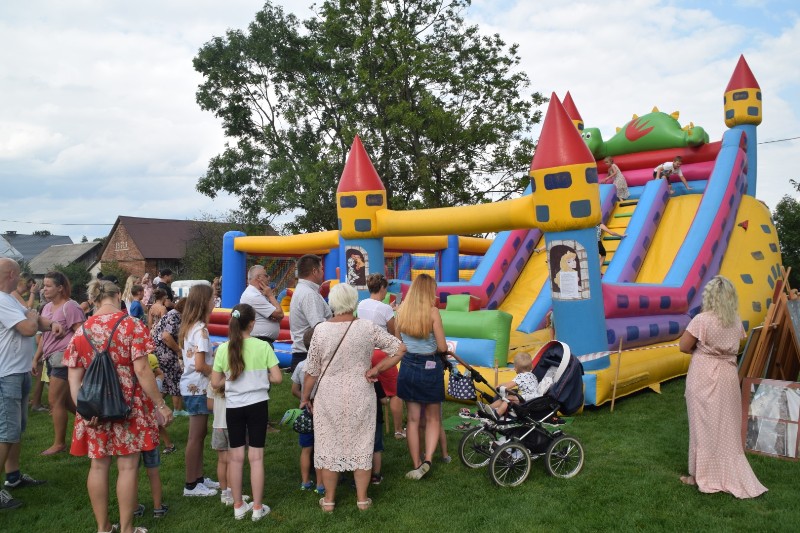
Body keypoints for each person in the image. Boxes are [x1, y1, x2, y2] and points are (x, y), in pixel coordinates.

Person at [64, 278, 173, 533]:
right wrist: (160, 404)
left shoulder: (81, 331)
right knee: (127, 466)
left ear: (95, 299)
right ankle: (126, 528)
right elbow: (142, 369)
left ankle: (103, 528)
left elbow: (73, 378)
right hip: (129, 405)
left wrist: (84, 411)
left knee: (98, 465)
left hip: (94, 407)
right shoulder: (132, 325)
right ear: (117, 297)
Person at [302, 283, 404, 512]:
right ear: (354, 301)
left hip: (328, 395)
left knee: (328, 445)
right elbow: (399, 349)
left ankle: (329, 500)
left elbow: (311, 371)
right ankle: (362, 499)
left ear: (332, 302)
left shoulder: (320, 330)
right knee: (362, 444)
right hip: (360, 392)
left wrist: (305, 397)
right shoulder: (367, 327)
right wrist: (377, 369)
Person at [367, 273, 467, 481]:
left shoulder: (401, 311)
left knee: (412, 419)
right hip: (430, 366)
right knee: (432, 418)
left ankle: (416, 463)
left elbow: (399, 343)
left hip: (408, 366)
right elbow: (442, 347)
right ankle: (428, 459)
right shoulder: (432, 312)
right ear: (429, 291)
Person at [678, 276, 767, 499]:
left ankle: (700, 475)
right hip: (727, 375)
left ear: (709, 296)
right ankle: (722, 471)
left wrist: (702, 350)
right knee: (726, 426)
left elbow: (683, 346)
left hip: (703, 374)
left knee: (702, 426)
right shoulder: (736, 321)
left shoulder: (701, 320)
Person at [211, 304, 281, 521]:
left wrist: (231, 379)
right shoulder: (263, 346)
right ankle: (257, 508)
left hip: (234, 407)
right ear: (252, 324)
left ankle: (238, 506)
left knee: (236, 457)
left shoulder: (223, 349)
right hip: (258, 405)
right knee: (256, 457)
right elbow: (278, 378)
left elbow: (215, 382)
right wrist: (260, 378)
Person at [0, 258, 52, 511]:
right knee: (6, 432)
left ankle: (13, 477)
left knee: (16, 430)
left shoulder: (10, 299)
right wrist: (33, 317)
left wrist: (53, 325)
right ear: (11, 274)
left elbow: (35, 320)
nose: (21, 279)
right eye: (19, 275)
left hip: (18, 371)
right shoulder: (1, 300)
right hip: (6, 374)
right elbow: (28, 328)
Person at [31, 271, 84, 456]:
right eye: (44, 285)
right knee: (68, 402)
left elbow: (82, 334)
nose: (44, 289)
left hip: (64, 360)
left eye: (48, 286)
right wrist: (36, 358)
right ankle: (96, 422)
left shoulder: (70, 306)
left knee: (54, 401)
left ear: (60, 288)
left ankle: (59, 444)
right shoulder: (46, 308)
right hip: (50, 358)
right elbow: (45, 338)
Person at [178, 284, 219, 497]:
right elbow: (200, 365)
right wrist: (219, 376)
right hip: (198, 388)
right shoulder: (201, 329)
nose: (215, 302)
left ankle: (199, 477)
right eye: (213, 299)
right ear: (204, 302)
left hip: (191, 387)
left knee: (200, 434)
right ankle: (191, 484)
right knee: (195, 436)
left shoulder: (191, 326)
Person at [357, 273, 405, 439]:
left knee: (370, 389)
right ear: (382, 288)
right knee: (395, 393)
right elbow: (393, 334)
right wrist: (396, 314)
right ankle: (398, 430)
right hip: (382, 353)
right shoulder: (385, 309)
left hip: (365, 352)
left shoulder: (362, 304)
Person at [290, 328, 325, 495]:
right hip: (322, 410)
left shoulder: (300, 366)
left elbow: (294, 389)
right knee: (321, 449)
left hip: (305, 411)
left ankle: (305, 481)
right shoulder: (324, 366)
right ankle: (320, 484)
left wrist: (306, 399)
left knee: (306, 448)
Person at [289, 254, 332, 373]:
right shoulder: (309, 294)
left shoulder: (305, 290)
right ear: (314, 271)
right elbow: (319, 327)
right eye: (321, 269)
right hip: (308, 355)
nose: (323, 272)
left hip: (304, 354)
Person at [480, 352, 554, 418]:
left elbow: (508, 385)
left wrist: (499, 386)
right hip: (534, 399)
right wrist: (503, 385)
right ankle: (489, 408)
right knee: (509, 397)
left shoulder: (520, 376)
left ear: (515, 369)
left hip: (527, 399)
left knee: (507, 400)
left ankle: (497, 413)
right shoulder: (533, 375)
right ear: (531, 366)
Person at [151, 299, 186, 419]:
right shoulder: (175, 317)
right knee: (175, 377)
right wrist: (178, 351)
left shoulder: (172, 314)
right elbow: (166, 336)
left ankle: (153, 405)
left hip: (159, 350)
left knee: (166, 381)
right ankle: (178, 410)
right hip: (165, 351)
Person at [240, 265, 284, 346]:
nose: (269, 278)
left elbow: (277, 315)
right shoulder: (253, 295)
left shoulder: (256, 293)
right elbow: (280, 314)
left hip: (260, 341)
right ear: (259, 278)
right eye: (266, 275)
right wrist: (270, 295)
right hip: (259, 341)